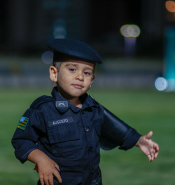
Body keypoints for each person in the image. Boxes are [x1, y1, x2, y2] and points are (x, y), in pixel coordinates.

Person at [11, 38, 159, 185]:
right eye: (72, 69)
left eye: (87, 73)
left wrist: (138, 140)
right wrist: (41, 159)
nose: (80, 77)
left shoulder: (93, 108)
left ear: (92, 80)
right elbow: (21, 140)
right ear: (54, 73)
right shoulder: (43, 109)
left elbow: (114, 127)